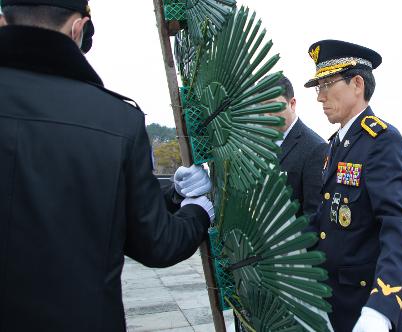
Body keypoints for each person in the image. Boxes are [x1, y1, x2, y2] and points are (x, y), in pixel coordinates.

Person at [0, 1, 214, 331]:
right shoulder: (115, 121)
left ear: (3, 20)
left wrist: (173, 192)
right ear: (78, 28)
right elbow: (157, 242)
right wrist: (198, 210)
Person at [303, 40, 402, 332]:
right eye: (319, 87)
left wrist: (382, 308)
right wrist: (286, 244)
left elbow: (399, 225)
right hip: (334, 298)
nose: (320, 97)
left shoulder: (381, 140)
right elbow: (326, 218)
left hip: (365, 304)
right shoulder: (337, 144)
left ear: (357, 83)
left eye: (327, 84)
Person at [264, 75, 328, 217]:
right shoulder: (259, 143)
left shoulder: (315, 149)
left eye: (272, 105)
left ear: (292, 104)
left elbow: (313, 216)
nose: (265, 114)